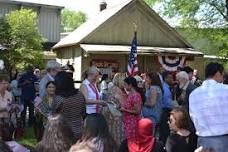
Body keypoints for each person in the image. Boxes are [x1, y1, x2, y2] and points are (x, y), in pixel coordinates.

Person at [189, 62, 228, 152]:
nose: (223, 78)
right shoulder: (226, 90)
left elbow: (193, 117)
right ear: (218, 73)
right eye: (223, 75)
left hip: (203, 141)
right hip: (224, 140)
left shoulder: (193, 94)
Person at [52, 71, 86, 141]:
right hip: (79, 129)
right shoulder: (80, 94)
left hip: (63, 132)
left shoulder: (58, 98)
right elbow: (83, 112)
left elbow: (54, 116)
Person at [102, 73, 126, 147]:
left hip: (109, 115)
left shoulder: (111, 88)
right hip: (116, 116)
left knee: (110, 135)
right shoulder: (118, 90)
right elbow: (124, 105)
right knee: (118, 136)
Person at [120, 77, 142, 150]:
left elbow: (137, 111)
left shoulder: (136, 95)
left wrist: (125, 110)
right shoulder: (130, 94)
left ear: (130, 85)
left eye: (125, 85)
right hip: (128, 122)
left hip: (133, 123)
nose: (124, 86)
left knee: (131, 142)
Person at [159, 71, 174, 145]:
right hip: (165, 112)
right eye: (170, 78)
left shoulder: (165, 88)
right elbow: (168, 104)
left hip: (164, 111)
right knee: (164, 133)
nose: (172, 79)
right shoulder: (166, 89)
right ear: (166, 78)